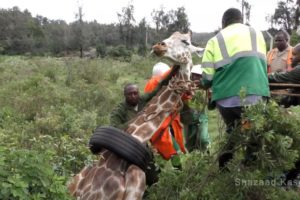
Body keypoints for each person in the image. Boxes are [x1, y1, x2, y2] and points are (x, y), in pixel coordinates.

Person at [200, 8, 270, 169]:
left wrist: (203, 83)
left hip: (227, 101)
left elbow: (207, 78)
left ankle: (224, 168)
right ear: (241, 20)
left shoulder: (215, 40)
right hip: (256, 96)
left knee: (233, 131)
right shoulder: (257, 34)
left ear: (223, 23)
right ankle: (249, 170)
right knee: (254, 136)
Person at [110, 64, 179, 186]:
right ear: (125, 95)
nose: (133, 96)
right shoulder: (119, 110)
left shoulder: (141, 100)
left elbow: (158, 88)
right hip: (127, 147)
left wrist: (173, 71)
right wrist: (137, 119)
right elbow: (115, 128)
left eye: (135, 93)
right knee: (130, 180)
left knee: (153, 177)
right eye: (130, 94)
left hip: (143, 146)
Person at [144, 62, 185, 170]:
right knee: (172, 150)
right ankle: (178, 170)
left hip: (161, 120)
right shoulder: (157, 83)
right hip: (161, 121)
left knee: (162, 148)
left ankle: (168, 170)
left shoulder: (150, 84)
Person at [180, 64, 210, 152]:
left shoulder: (206, 88)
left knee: (203, 139)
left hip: (202, 118)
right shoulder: (185, 87)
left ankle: (207, 153)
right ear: (191, 75)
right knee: (190, 144)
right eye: (195, 75)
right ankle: (194, 162)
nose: (196, 77)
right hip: (188, 120)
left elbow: (210, 104)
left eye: (199, 75)